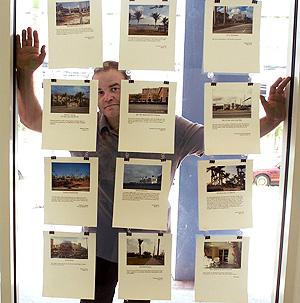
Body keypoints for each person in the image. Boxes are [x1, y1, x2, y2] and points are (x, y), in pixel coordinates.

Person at [16, 27, 291, 303]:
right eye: (99, 92)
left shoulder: (167, 126)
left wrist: (271, 120)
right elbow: (31, 119)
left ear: (131, 89)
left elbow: (217, 139)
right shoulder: (82, 127)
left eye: (114, 88)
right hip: (99, 246)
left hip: (146, 247)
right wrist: (26, 74)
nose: (107, 97)